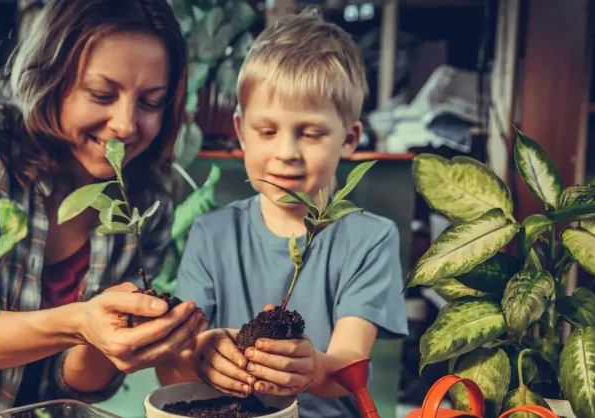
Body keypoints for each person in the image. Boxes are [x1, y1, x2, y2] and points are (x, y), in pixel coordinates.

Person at [0, 0, 206, 411]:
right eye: (102, 94)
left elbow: (75, 383)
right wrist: (80, 322)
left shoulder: (146, 205)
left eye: (150, 102)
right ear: (50, 77)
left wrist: (119, 339)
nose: (126, 125)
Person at [156, 10, 409, 418]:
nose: (287, 153)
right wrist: (202, 352)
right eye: (267, 131)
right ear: (240, 131)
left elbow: (348, 364)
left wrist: (312, 367)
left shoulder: (371, 239)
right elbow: (175, 368)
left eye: (310, 133)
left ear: (349, 139)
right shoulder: (212, 233)